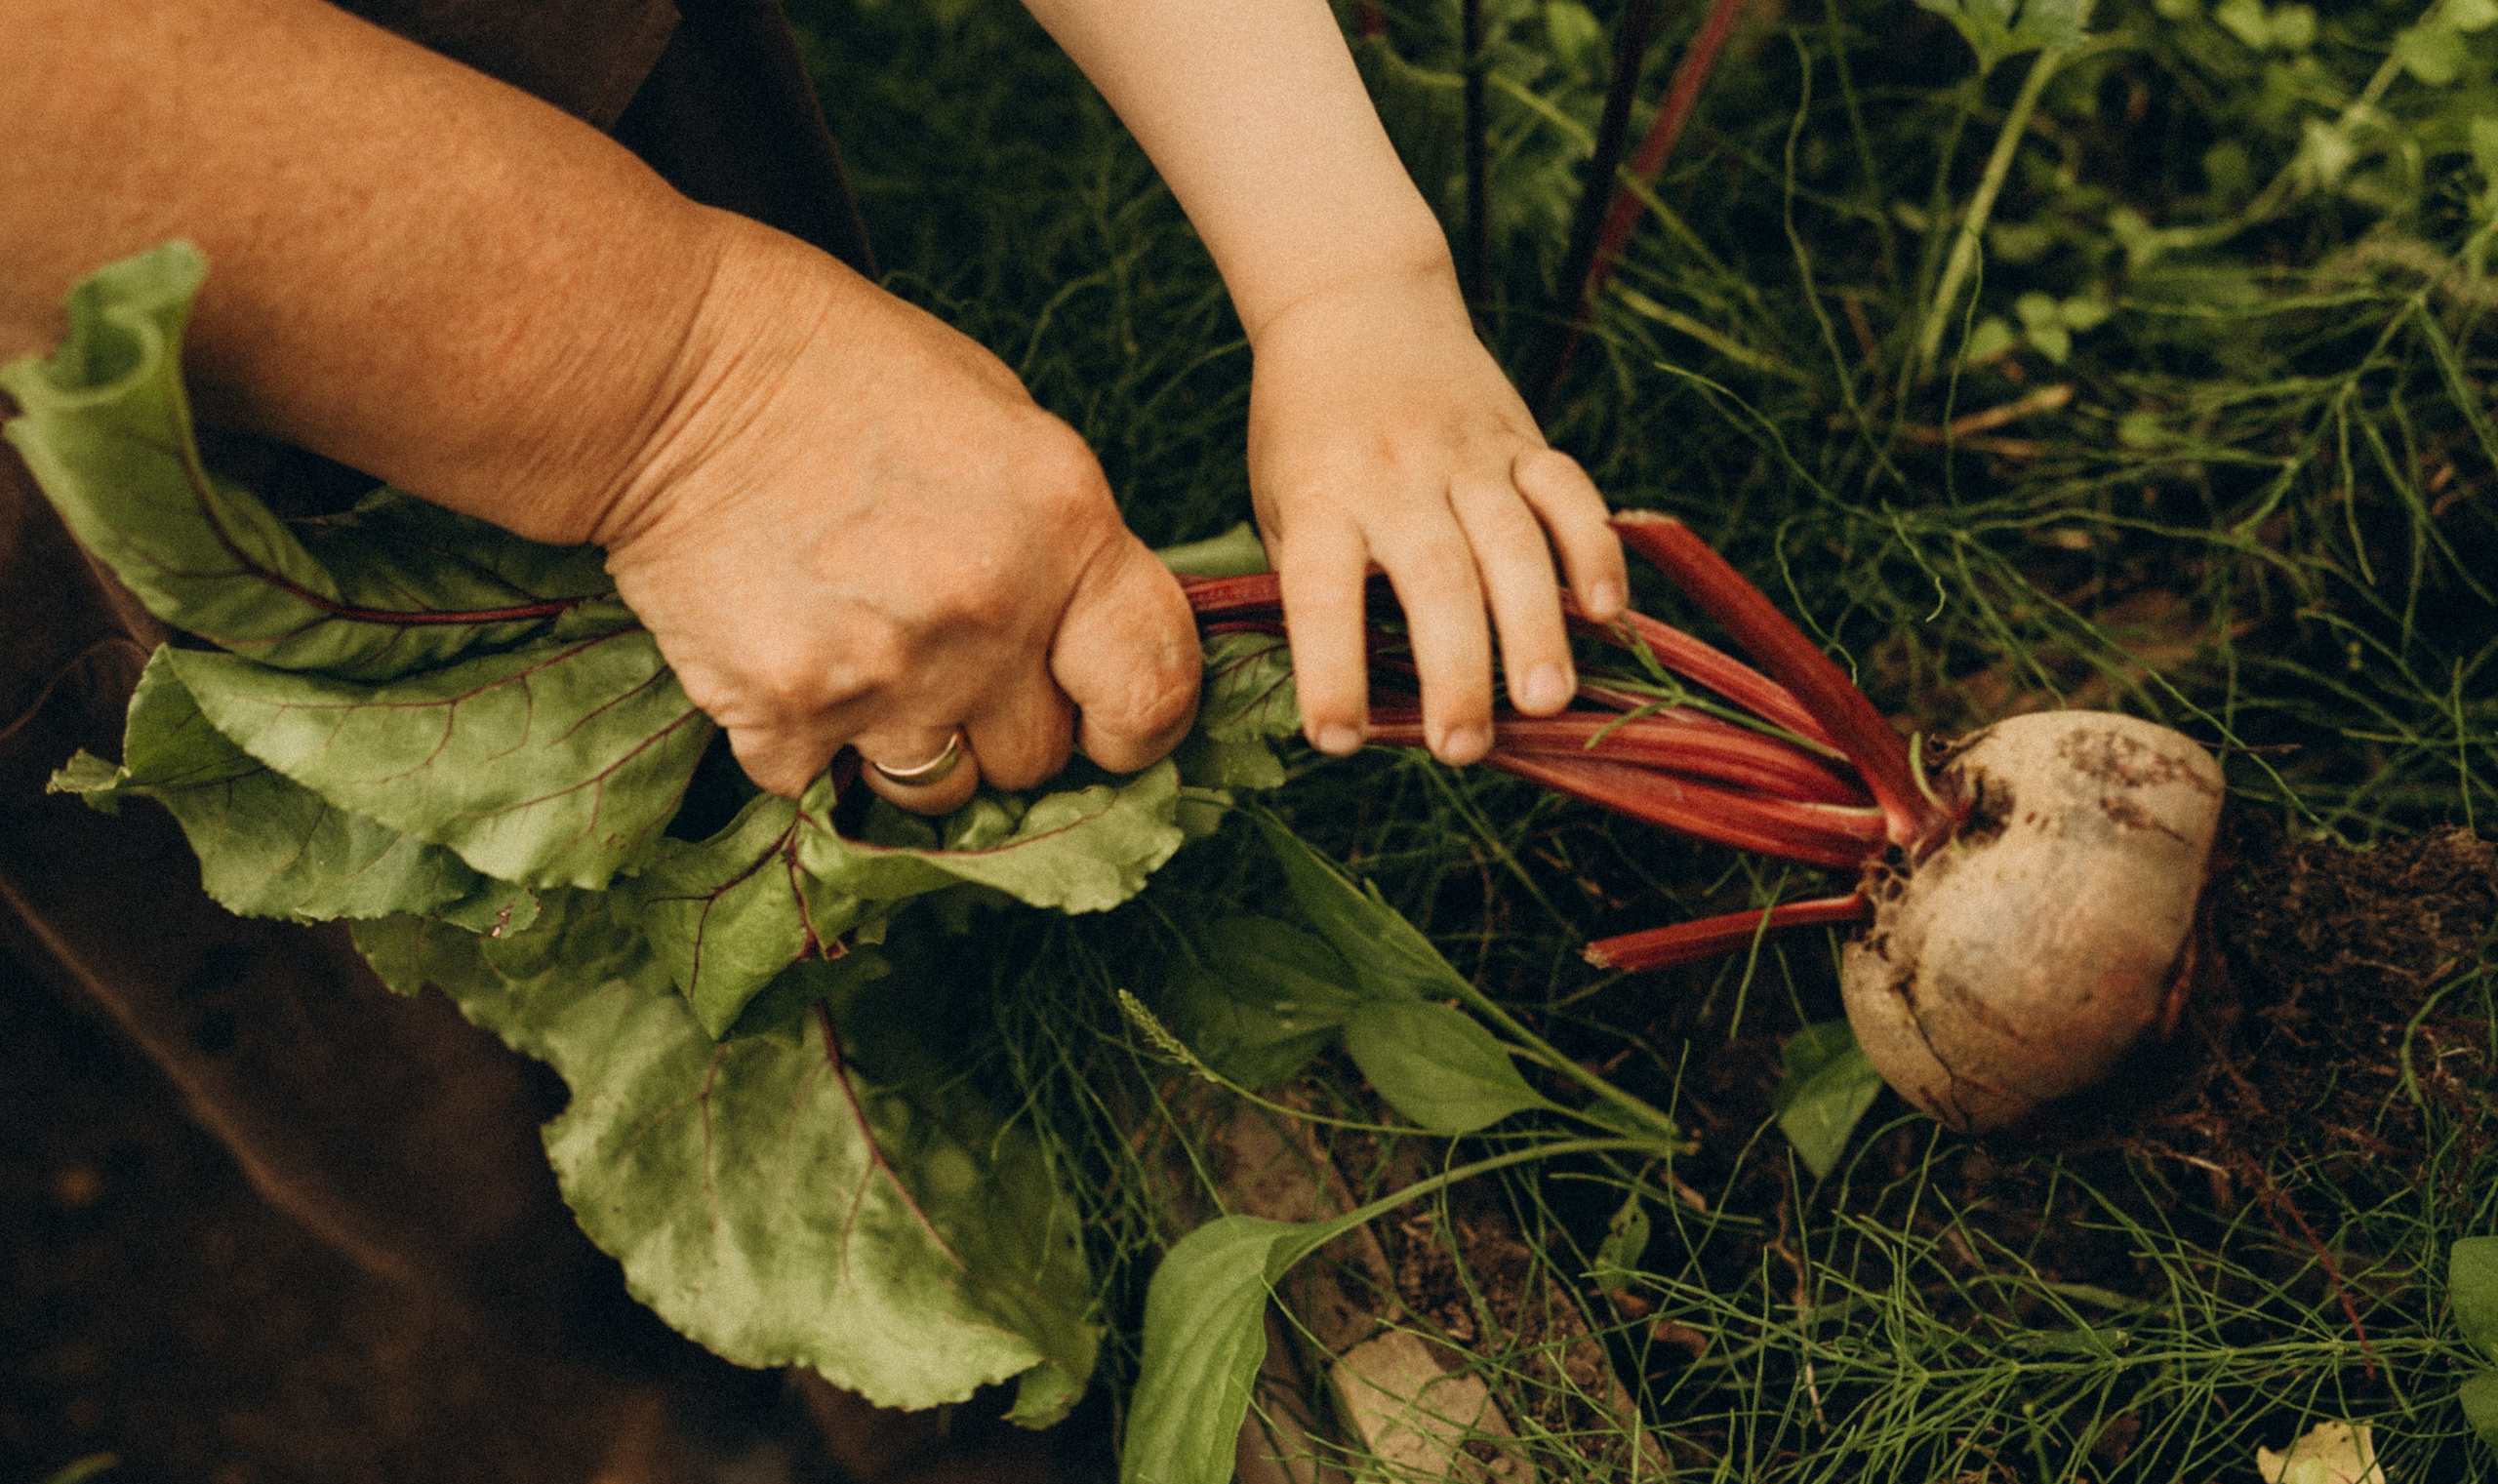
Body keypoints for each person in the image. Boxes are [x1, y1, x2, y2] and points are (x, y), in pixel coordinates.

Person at [0, 0, 1625, 1316]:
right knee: (382, 1061)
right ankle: (789, 1440)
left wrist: (1344, 276)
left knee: (866, 888)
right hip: (63, 433)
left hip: (549, 88)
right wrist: (690, 395)